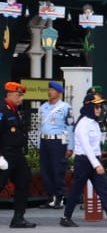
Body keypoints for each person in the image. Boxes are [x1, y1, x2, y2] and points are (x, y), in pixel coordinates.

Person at [59, 91, 107, 229]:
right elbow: (86, 147)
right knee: (76, 191)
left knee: (103, 190)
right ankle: (66, 217)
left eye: (100, 107)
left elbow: (95, 144)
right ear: (88, 107)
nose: (99, 109)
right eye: (96, 107)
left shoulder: (94, 123)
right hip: (84, 161)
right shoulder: (82, 124)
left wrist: (99, 157)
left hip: (94, 160)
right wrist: (97, 164)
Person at [2, 81, 34, 229]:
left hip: (17, 154)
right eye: (18, 95)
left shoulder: (15, 111)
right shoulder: (3, 111)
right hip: (5, 154)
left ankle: (18, 218)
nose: (21, 98)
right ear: (9, 94)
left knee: (24, 180)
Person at [36, 80, 71, 209]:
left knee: (57, 169)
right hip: (45, 140)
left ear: (59, 93)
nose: (50, 92)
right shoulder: (43, 107)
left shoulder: (65, 107)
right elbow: (40, 126)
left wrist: (70, 146)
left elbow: (70, 127)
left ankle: (60, 197)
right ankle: (50, 197)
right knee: (45, 170)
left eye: (53, 90)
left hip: (57, 141)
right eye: (49, 90)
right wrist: (39, 144)